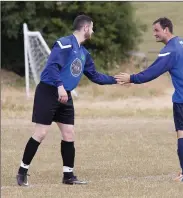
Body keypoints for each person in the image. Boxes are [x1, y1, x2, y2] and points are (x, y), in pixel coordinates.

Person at [17, 14, 117, 186]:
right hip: (49, 91)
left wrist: (117, 80)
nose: (92, 31)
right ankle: (22, 172)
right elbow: (52, 66)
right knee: (41, 133)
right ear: (85, 28)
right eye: (92, 28)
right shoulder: (64, 43)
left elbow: (95, 76)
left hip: (65, 94)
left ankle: (68, 176)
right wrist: (60, 86)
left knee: (69, 133)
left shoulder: (84, 53)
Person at [115, 17, 183, 182]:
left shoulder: (170, 50)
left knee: (182, 133)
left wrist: (132, 78)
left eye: (157, 30)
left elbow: (152, 72)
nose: (154, 34)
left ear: (166, 29)